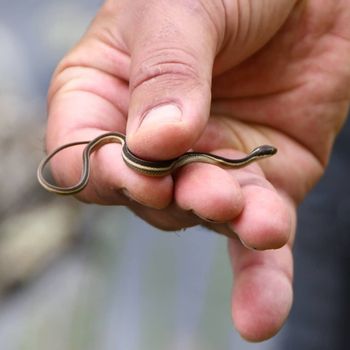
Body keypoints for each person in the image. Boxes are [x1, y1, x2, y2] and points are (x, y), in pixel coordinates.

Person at [45, 0, 350, 342]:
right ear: (259, 154)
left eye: (265, 154)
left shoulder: (245, 157)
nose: (267, 155)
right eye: (265, 154)